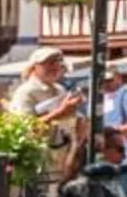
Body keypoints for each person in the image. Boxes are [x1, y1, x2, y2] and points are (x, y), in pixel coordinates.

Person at [14, 48, 82, 177]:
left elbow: (67, 124)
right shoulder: (25, 92)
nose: (55, 66)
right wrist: (61, 112)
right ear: (35, 67)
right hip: (37, 162)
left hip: (61, 160)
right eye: (50, 63)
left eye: (58, 62)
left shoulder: (60, 90)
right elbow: (23, 128)